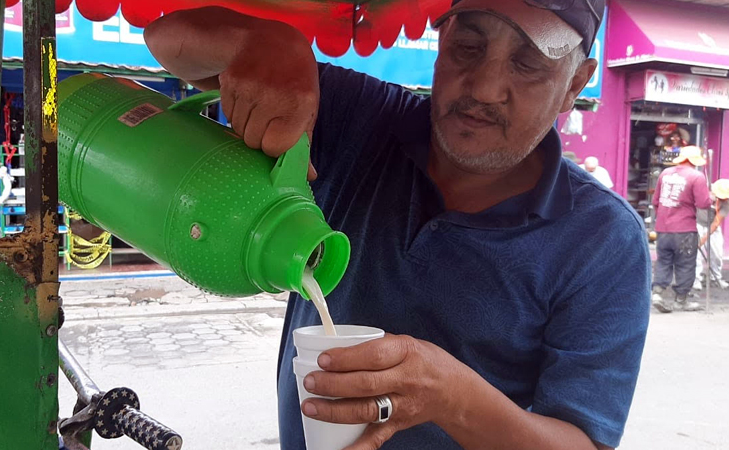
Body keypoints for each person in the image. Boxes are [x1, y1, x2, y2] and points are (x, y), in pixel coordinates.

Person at [144, 1, 649, 449]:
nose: (486, 88)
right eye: (469, 47)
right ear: (441, 43)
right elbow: (166, 39)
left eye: (528, 64)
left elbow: (583, 441)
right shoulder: (357, 116)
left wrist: (452, 397)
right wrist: (268, 42)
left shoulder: (603, 239)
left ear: (575, 85)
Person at [651, 146, 711, 312]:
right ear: (693, 161)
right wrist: (711, 197)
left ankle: (657, 293)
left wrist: (664, 217)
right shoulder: (696, 176)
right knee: (685, 264)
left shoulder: (665, 173)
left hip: (663, 228)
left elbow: (656, 201)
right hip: (684, 229)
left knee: (663, 261)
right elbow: (703, 204)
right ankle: (681, 300)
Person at [694, 178, 729, 290]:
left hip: (712, 226)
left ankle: (715, 278)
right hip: (697, 223)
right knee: (695, 254)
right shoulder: (703, 192)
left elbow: (716, 223)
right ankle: (696, 279)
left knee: (717, 252)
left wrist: (702, 240)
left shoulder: (726, 202)